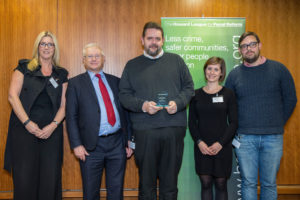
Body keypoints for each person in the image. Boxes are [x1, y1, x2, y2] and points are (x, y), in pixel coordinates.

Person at [119, 21, 194, 200]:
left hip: (173, 129)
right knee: (146, 184)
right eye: (150, 38)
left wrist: (178, 103)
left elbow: (189, 88)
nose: (154, 42)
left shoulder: (176, 61)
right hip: (145, 131)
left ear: (163, 41)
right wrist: (143, 106)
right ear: (142, 40)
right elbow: (124, 96)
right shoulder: (132, 65)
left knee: (170, 184)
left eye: (157, 39)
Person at [225, 31, 297, 200]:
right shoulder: (234, 75)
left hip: (273, 137)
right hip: (245, 138)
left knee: (269, 183)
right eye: (244, 46)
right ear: (240, 50)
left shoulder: (279, 69)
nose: (248, 49)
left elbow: (291, 99)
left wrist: (278, 122)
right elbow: (228, 106)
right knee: (248, 183)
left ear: (259, 46)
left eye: (252, 44)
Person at [3, 31, 68, 200]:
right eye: (43, 43)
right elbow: (12, 96)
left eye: (50, 44)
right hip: (24, 131)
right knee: (25, 178)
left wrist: (53, 125)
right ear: (37, 47)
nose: (46, 47)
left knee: (49, 178)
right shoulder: (24, 67)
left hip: (51, 133)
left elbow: (64, 105)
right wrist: (28, 123)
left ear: (55, 48)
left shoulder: (61, 74)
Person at [66, 43, 133, 200]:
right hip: (90, 147)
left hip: (117, 143)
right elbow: (71, 116)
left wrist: (130, 141)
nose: (94, 59)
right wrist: (76, 145)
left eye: (97, 56)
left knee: (116, 192)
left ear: (103, 59)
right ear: (84, 60)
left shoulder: (116, 81)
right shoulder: (75, 84)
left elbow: (126, 114)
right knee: (90, 193)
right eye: (90, 56)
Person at [188, 57, 238, 200]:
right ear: (205, 71)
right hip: (202, 147)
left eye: (216, 69)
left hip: (222, 146)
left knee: (221, 184)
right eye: (209, 68)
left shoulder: (228, 94)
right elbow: (191, 123)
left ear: (221, 73)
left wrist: (221, 143)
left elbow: (234, 122)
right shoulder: (195, 95)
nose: (212, 72)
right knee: (206, 183)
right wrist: (199, 142)